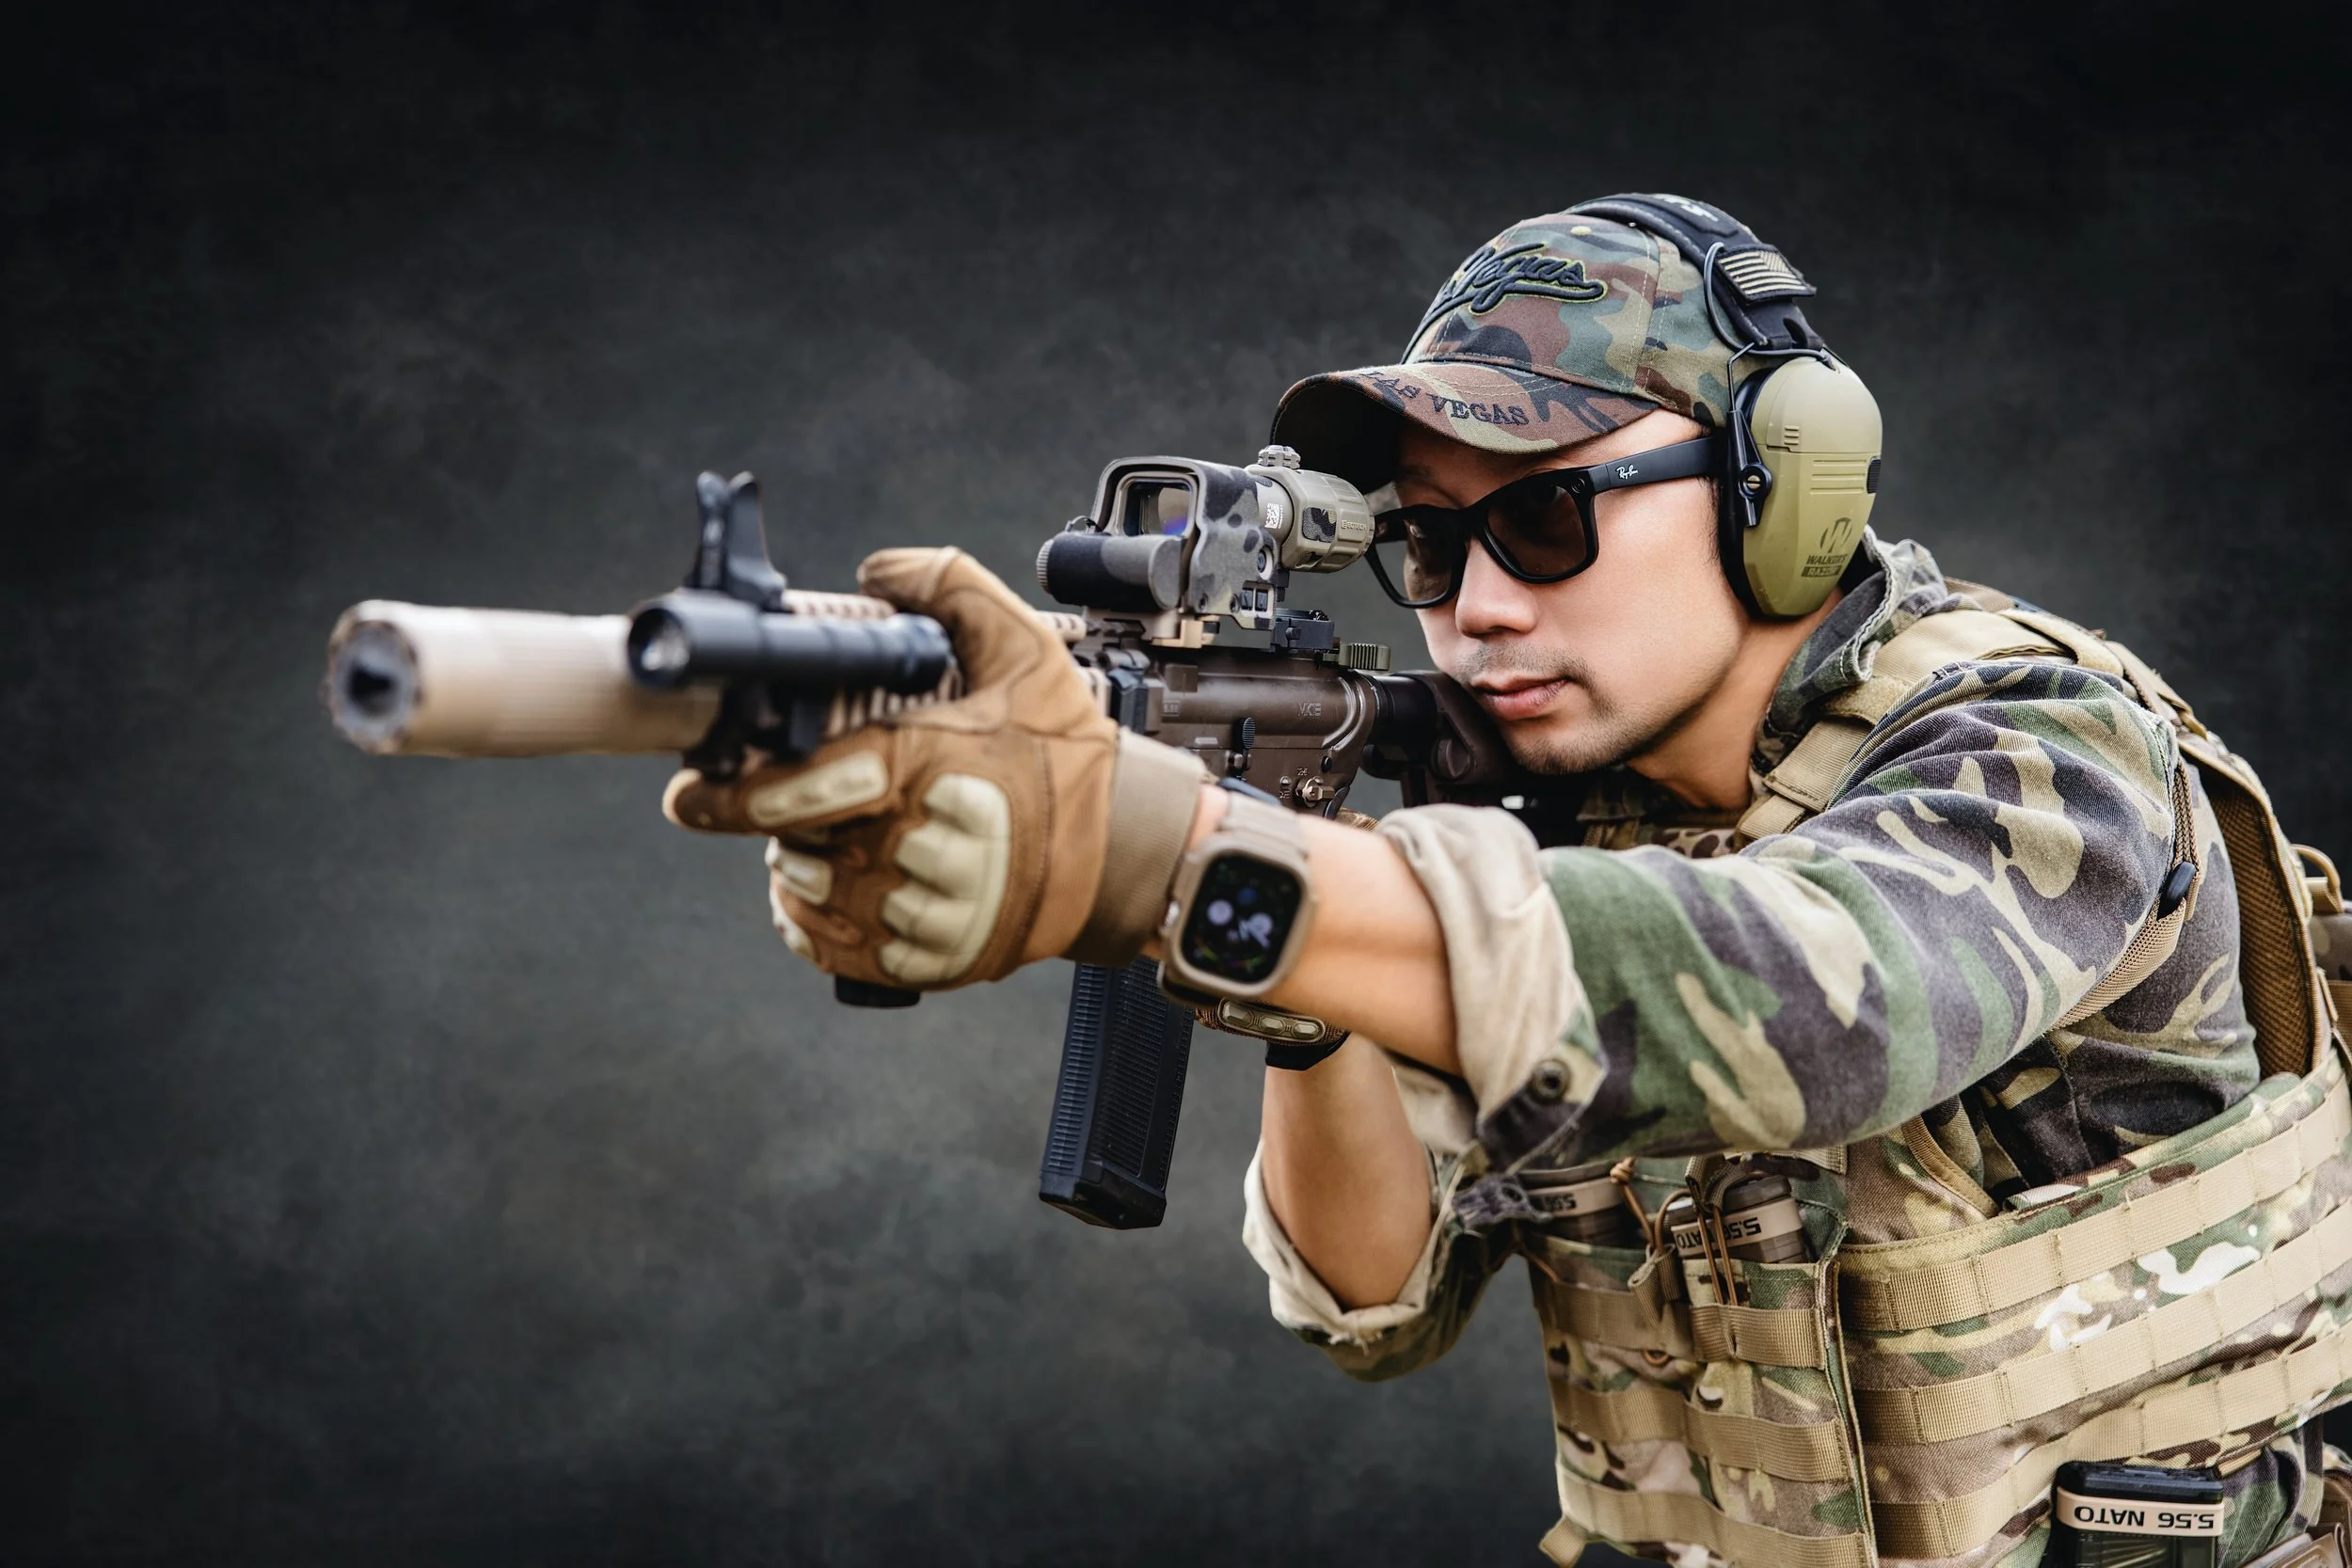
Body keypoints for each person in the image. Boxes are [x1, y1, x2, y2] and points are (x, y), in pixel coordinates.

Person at [662, 196, 2352, 1568]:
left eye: (1544, 520)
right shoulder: (1540, 811)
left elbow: (1819, 1005)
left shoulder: (2040, 742)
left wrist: (1183, 855)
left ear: (1784, 496)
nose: (1470, 604)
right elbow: (1378, 1304)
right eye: (1427, 543)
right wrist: (1292, 983)